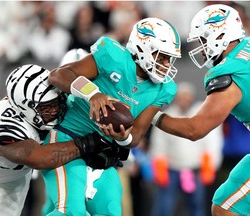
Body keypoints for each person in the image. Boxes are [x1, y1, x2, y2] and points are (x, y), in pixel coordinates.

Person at [43, 17, 181, 215]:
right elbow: (58, 75)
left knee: (111, 212)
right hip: (67, 138)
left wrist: (123, 137)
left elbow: (137, 135)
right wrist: (93, 93)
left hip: (102, 151)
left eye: (170, 58)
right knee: (71, 212)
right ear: (142, 48)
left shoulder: (163, 89)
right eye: (162, 56)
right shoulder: (113, 56)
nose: (167, 64)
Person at [0, 64, 118, 216]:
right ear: (24, 107)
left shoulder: (56, 106)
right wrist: (90, 143)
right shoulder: (4, 126)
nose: (55, 110)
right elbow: (41, 158)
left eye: (56, 102)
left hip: (8, 181)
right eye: (46, 107)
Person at [151, 4, 250, 216]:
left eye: (204, 40)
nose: (202, 47)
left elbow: (195, 128)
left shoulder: (230, 71)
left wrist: (150, 115)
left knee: (226, 206)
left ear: (220, 35)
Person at [149, 81, 223, 216]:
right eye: (181, 97)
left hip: (195, 169)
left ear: (191, 97)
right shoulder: (169, 115)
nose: (184, 100)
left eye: (186, 96)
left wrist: (210, 166)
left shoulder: (201, 114)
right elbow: (158, 144)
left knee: (196, 205)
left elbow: (213, 142)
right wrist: (158, 166)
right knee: (164, 206)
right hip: (172, 168)